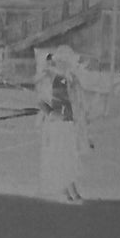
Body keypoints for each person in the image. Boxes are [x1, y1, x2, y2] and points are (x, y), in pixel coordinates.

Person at [37, 47, 84, 203]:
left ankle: (67, 188)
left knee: (68, 156)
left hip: (68, 123)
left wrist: (79, 118)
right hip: (56, 124)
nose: (66, 64)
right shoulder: (50, 78)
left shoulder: (70, 79)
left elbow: (77, 102)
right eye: (62, 61)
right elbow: (41, 101)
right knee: (61, 156)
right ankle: (68, 189)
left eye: (67, 62)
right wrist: (51, 113)